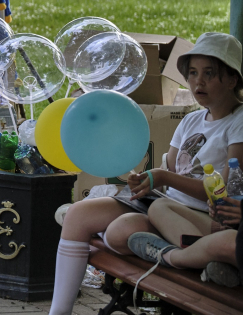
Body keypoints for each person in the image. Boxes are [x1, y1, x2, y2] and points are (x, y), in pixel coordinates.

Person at [49, 32, 243, 314]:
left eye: (209, 74)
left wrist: (162, 178)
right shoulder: (190, 120)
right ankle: (59, 312)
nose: (198, 82)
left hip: (201, 215)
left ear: (232, 79)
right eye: (192, 73)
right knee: (82, 216)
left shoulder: (238, 122)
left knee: (122, 230)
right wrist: (147, 181)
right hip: (164, 205)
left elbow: (220, 190)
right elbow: (171, 171)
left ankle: (186, 257)